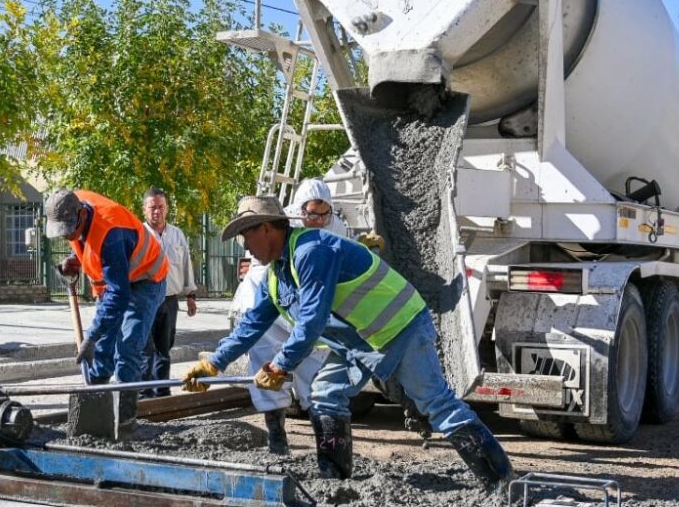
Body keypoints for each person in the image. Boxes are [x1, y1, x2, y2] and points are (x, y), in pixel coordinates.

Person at [183, 196, 511, 489]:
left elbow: (311, 320)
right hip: (358, 342)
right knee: (325, 394)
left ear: (267, 228)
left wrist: (281, 365)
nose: (245, 246)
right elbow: (254, 322)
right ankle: (334, 479)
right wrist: (214, 363)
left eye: (247, 235)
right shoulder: (278, 272)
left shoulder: (311, 252)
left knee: (437, 404)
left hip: (400, 328)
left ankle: (499, 480)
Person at [44, 188, 168, 438]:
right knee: (101, 345)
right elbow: (88, 247)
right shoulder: (68, 205)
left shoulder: (110, 232)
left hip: (146, 278)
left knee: (129, 345)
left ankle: (124, 423)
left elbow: (118, 296)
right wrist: (74, 259)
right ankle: (96, 411)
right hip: (117, 282)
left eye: (70, 230)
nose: (68, 235)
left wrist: (91, 335)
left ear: (80, 215)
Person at [242, 179, 347, 454]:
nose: (319, 220)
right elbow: (264, 274)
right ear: (300, 211)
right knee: (266, 366)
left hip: (306, 311)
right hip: (274, 306)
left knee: (315, 375)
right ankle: (276, 436)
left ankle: (328, 447)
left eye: (324, 213)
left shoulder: (336, 227)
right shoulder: (282, 227)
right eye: (312, 213)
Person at [139, 187, 198, 398]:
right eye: (152, 208)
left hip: (170, 300)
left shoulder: (177, 234)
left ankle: (162, 392)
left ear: (167, 209)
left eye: (161, 207)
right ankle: (143, 393)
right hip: (144, 300)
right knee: (145, 349)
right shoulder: (138, 234)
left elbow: (185, 265)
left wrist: (190, 295)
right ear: (144, 209)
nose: (157, 212)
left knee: (164, 348)